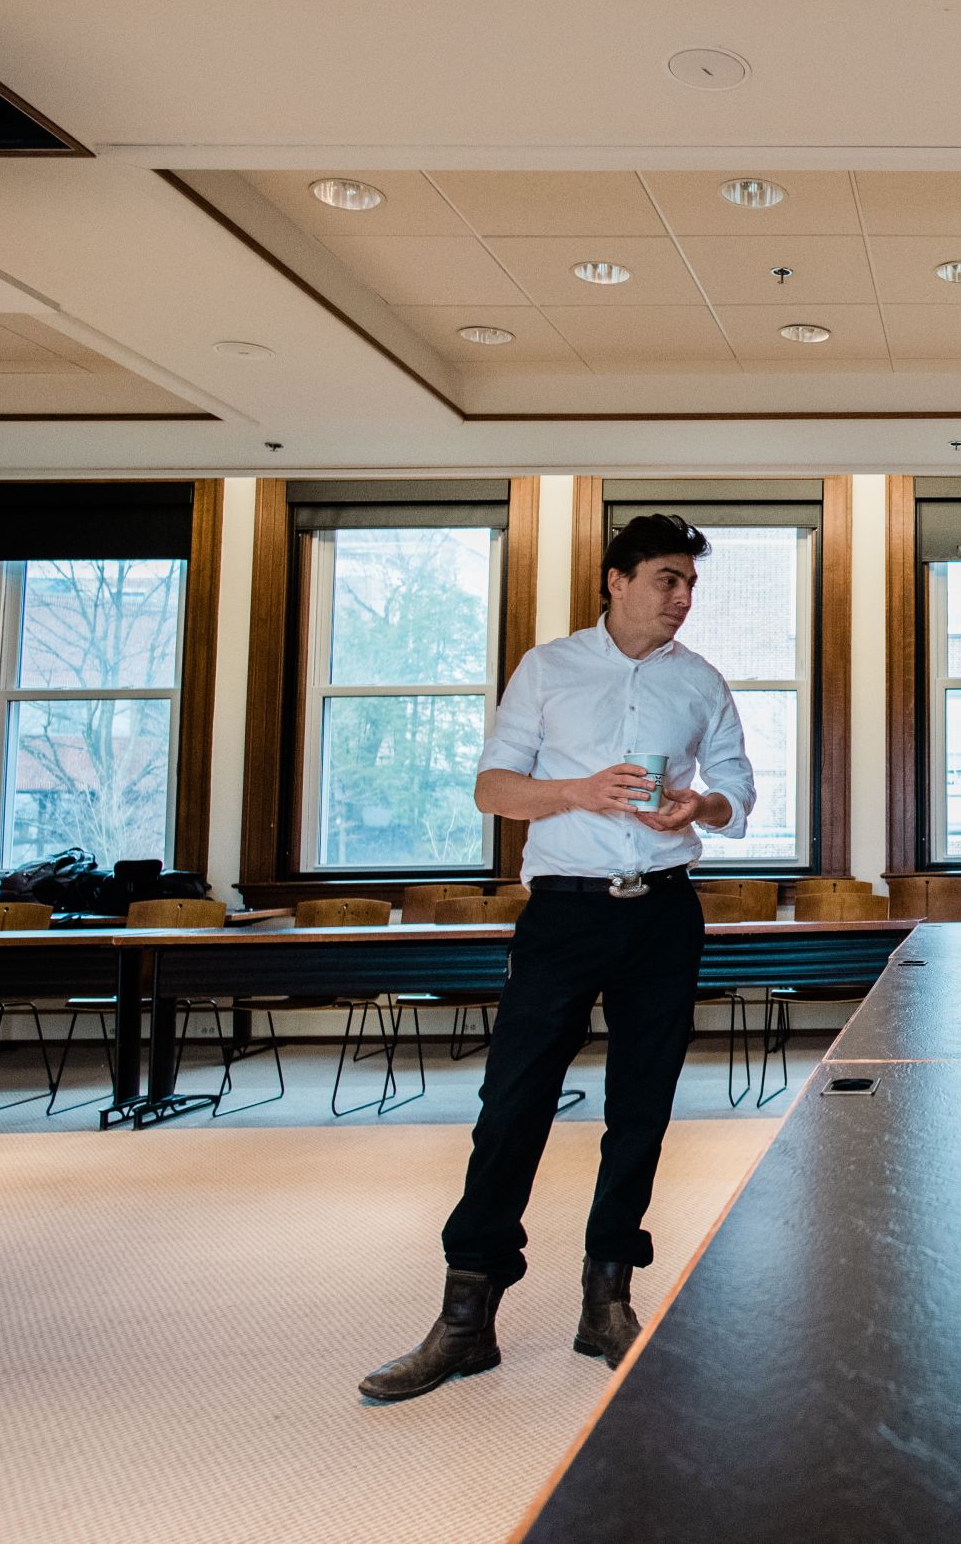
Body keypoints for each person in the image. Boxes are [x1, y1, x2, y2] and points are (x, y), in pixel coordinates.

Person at [360, 511, 756, 1402]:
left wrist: (701, 807)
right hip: (564, 912)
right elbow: (492, 787)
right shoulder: (547, 667)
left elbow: (739, 792)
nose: (682, 598)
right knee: (512, 1104)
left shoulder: (701, 682)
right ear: (615, 580)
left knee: (642, 1108)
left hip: (663, 912)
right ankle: (467, 1318)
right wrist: (576, 790)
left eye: (690, 584)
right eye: (666, 578)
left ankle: (605, 1300)